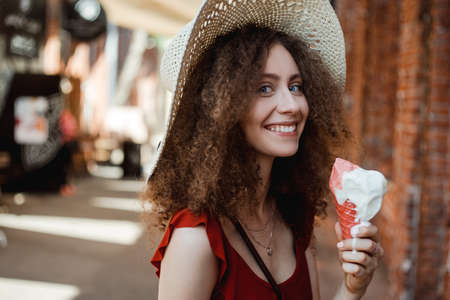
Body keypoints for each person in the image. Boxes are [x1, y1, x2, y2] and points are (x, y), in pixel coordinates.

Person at [143, 1, 384, 299]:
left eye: (295, 86)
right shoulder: (196, 240)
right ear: (223, 107)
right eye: (264, 88)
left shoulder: (295, 218)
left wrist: (353, 287)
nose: (292, 106)